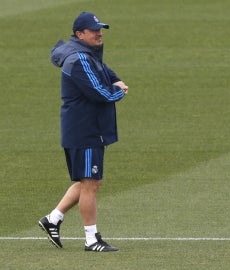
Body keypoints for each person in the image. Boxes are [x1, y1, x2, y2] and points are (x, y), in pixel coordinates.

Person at [38, 12, 128, 252]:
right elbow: (101, 92)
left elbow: (107, 75)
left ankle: (53, 219)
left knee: (91, 180)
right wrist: (119, 91)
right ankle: (92, 240)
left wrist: (116, 82)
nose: (99, 33)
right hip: (85, 130)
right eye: (93, 30)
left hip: (89, 129)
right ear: (80, 34)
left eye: (100, 29)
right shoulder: (79, 60)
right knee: (90, 182)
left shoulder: (89, 55)